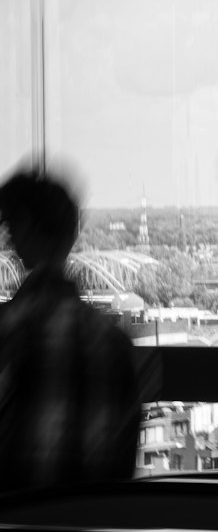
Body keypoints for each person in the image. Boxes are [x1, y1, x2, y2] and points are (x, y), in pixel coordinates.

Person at [0, 168, 140, 489]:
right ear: (70, 235)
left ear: (20, 230)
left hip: (15, 528)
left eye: (7, 225)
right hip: (88, 529)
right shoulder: (116, 343)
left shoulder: (10, 330)